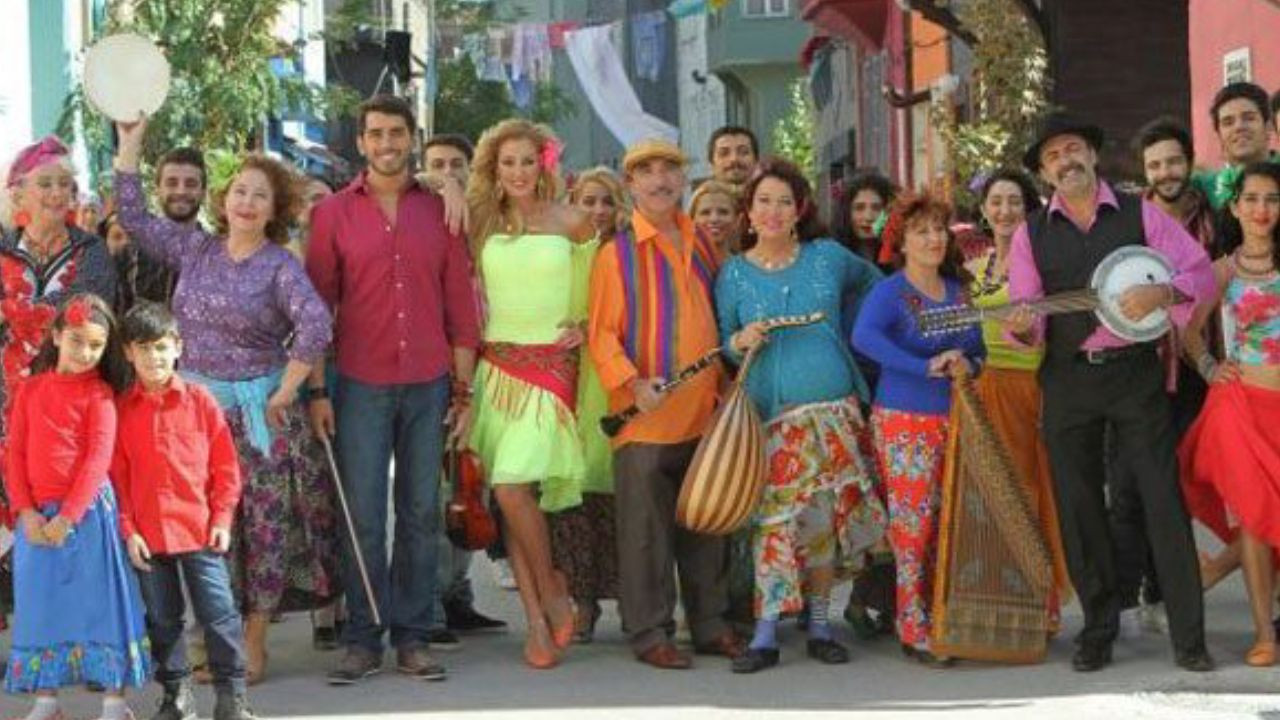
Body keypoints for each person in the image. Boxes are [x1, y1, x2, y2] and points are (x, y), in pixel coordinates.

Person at [115, 117, 338, 687]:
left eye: (259, 195)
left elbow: (316, 324)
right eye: (239, 191)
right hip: (194, 417)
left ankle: (253, 645)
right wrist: (132, 141)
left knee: (261, 530)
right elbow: (134, 216)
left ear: (274, 209)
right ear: (224, 199)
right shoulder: (196, 249)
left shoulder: (279, 265)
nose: (246, 202)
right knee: (204, 532)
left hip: (257, 420)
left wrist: (287, 390)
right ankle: (213, 641)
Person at [1006, 112, 1216, 672]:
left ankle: (1190, 638)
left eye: (1073, 148)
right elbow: (1028, 317)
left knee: (1161, 499)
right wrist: (1022, 327)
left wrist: (1162, 293)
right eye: (1053, 156)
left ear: (1093, 155)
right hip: (1068, 378)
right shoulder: (1029, 234)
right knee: (1079, 506)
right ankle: (1098, 629)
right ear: (1044, 172)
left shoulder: (1139, 214)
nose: (1065, 160)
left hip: (1134, 376)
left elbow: (1198, 272)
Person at [306, 95, 477, 685]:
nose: (386, 143)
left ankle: (413, 636)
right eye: (375, 133)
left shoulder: (441, 210)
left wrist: (464, 392)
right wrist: (317, 392)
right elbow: (316, 311)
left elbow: (461, 306)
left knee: (421, 513)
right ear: (361, 142)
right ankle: (362, 638)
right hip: (359, 384)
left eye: (396, 132)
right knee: (363, 516)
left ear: (412, 138)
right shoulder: (333, 214)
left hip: (429, 383)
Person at [715, 157, 886, 673]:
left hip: (835, 414)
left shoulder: (827, 257)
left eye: (784, 202)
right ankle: (766, 632)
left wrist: (854, 336)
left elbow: (877, 286)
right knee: (774, 526)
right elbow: (724, 345)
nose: (773, 211)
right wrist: (740, 340)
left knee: (823, 527)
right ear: (748, 212)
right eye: (763, 201)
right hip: (772, 421)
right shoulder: (733, 273)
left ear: (799, 210)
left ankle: (820, 626)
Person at [588, 138, 746, 670]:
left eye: (669, 169)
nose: (659, 180)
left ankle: (710, 625)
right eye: (646, 171)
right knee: (645, 536)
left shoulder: (702, 242)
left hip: (704, 414)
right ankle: (650, 632)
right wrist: (632, 384)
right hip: (645, 419)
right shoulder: (616, 254)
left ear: (683, 178)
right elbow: (601, 336)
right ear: (630, 184)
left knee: (707, 526)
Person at [462, 119, 599, 668]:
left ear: (543, 165)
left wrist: (586, 324)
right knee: (510, 495)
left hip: (552, 367)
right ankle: (538, 621)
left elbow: (600, 289)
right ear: (494, 170)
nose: (517, 172)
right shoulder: (481, 221)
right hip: (497, 369)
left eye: (526, 160)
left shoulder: (574, 221)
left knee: (512, 486)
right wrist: (446, 187)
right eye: (507, 162)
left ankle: (552, 590)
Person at [852, 191, 985, 668]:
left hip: (955, 419)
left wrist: (967, 363)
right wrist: (922, 365)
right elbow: (864, 337)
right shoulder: (889, 292)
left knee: (949, 520)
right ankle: (912, 623)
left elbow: (979, 350)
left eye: (938, 230)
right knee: (913, 525)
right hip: (904, 420)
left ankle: (940, 612)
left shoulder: (958, 291)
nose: (933, 239)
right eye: (921, 231)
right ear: (902, 242)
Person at [3, 294, 149, 720]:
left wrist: (68, 517)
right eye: (77, 341)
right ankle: (47, 701)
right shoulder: (30, 390)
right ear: (56, 337)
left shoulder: (100, 395)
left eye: (96, 345)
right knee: (40, 606)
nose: (85, 353)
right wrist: (25, 512)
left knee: (100, 605)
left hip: (87, 517)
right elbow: (14, 454)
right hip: (35, 517)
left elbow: (97, 461)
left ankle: (115, 702)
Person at [112, 302, 256, 720]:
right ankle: (176, 695)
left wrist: (222, 519)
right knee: (162, 619)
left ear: (178, 346)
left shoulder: (200, 401)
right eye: (143, 348)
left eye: (161, 347)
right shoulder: (122, 410)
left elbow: (226, 467)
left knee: (219, 613)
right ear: (128, 353)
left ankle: (232, 697)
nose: (153, 357)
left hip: (200, 530)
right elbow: (118, 478)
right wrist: (129, 530)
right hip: (149, 534)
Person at [1180, 162, 1280, 667]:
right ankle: (1265, 635)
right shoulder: (1222, 270)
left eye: (1272, 199)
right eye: (1253, 199)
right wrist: (1209, 367)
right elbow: (1189, 331)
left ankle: (1216, 567)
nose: (1262, 209)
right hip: (1240, 408)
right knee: (1257, 522)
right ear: (1235, 207)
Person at [963, 169, 1071, 627]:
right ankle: (997, 596)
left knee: (1029, 490)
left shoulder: (1044, 264)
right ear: (983, 210)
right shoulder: (973, 267)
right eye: (996, 201)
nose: (1005, 210)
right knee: (987, 497)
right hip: (983, 387)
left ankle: (1038, 600)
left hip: (1030, 388)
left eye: (1014, 202)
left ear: (1030, 210)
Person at [0, 136, 117, 424]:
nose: (57, 192)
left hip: (68, 397)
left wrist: (12, 311)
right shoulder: (4, 248)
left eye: (64, 184)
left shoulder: (92, 249)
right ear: (19, 195)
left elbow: (82, 308)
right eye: (45, 184)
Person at [561, 165, 626, 644]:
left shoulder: (627, 253)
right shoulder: (562, 251)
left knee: (620, 492)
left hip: (614, 377)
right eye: (589, 201)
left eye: (607, 201)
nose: (598, 210)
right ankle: (581, 602)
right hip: (569, 376)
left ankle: (631, 600)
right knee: (573, 492)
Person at [117, 147, 206, 313]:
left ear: (203, 192)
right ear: (157, 189)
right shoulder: (130, 254)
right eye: (172, 183)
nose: (181, 191)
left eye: (191, 184)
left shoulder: (217, 255)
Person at [1193, 82, 1279, 210]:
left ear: (1268, 127)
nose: (1239, 127)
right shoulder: (1206, 187)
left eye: (1249, 118)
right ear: (1219, 135)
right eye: (1228, 123)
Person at [832, 171, 897, 271]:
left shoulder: (899, 256)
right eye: (859, 208)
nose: (868, 217)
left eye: (876, 208)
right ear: (846, 212)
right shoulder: (833, 255)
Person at [688, 180, 739, 256]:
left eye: (723, 212)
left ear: (736, 220)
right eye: (705, 213)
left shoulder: (750, 262)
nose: (714, 219)